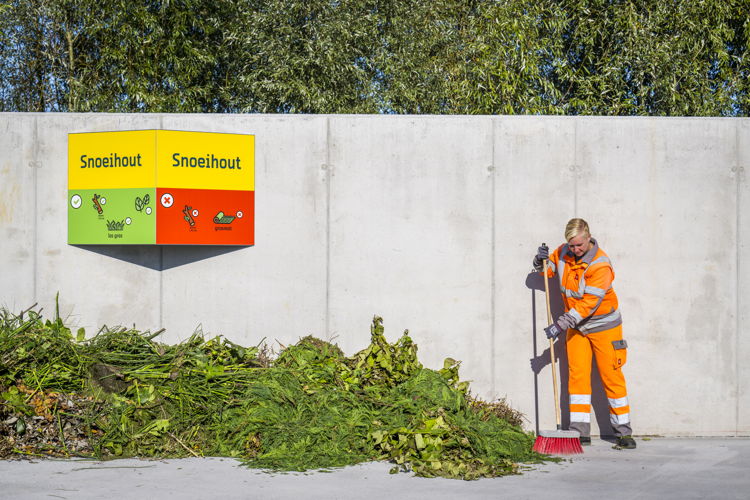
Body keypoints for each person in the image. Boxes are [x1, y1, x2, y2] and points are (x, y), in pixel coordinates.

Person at [533, 218, 635, 449]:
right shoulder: (564, 252)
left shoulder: (600, 265)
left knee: (612, 378)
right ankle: (580, 433)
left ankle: (624, 433)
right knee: (577, 376)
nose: (575, 250)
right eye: (571, 245)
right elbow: (549, 273)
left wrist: (560, 324)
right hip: (577, 328)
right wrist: (541, 262)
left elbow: (588, 304)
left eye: (579, 245)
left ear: (588, 238)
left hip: (604, 327)